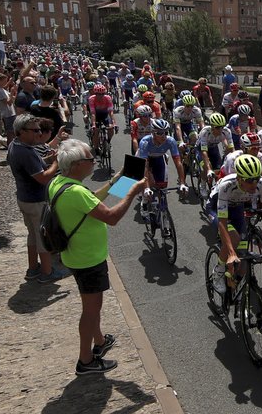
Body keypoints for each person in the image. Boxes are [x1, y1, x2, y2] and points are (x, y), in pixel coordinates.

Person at [48, 139, 148, 374]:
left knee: (92, 305)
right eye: (90, 159)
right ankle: (86, 361)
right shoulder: (75, 192)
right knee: (91, 310)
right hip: (87, 259)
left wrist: (119, 180)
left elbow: (93, 199)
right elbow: (111, 217)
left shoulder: (61, 182)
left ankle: (100, 341)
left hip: (76, 255)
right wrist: (133, 191)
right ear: (76, 165)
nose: (94, 162)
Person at [7, 113, 65, 283]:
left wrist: (48, 159)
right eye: (35, 130)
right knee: (42, 237)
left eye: (40, 130)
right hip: (36, 200)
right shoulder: (26, 151)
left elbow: (35, 165)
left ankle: (33, 268)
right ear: (21, 131)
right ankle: (47, 272)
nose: (39, 134)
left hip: (24, 198)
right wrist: (55, 163)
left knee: (32, 236)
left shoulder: (15, 145)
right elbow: (43, 177)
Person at [0, 73, 17, 149]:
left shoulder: (2, 90)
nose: (5, 82)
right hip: (7, 115)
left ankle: (11, 146)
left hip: (11, 114)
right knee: (10, 133)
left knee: (12, 132)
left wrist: (13, 93)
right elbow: (9, 103)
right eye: (4, 81)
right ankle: (10, 147)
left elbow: (12, 99)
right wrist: (12, 92)